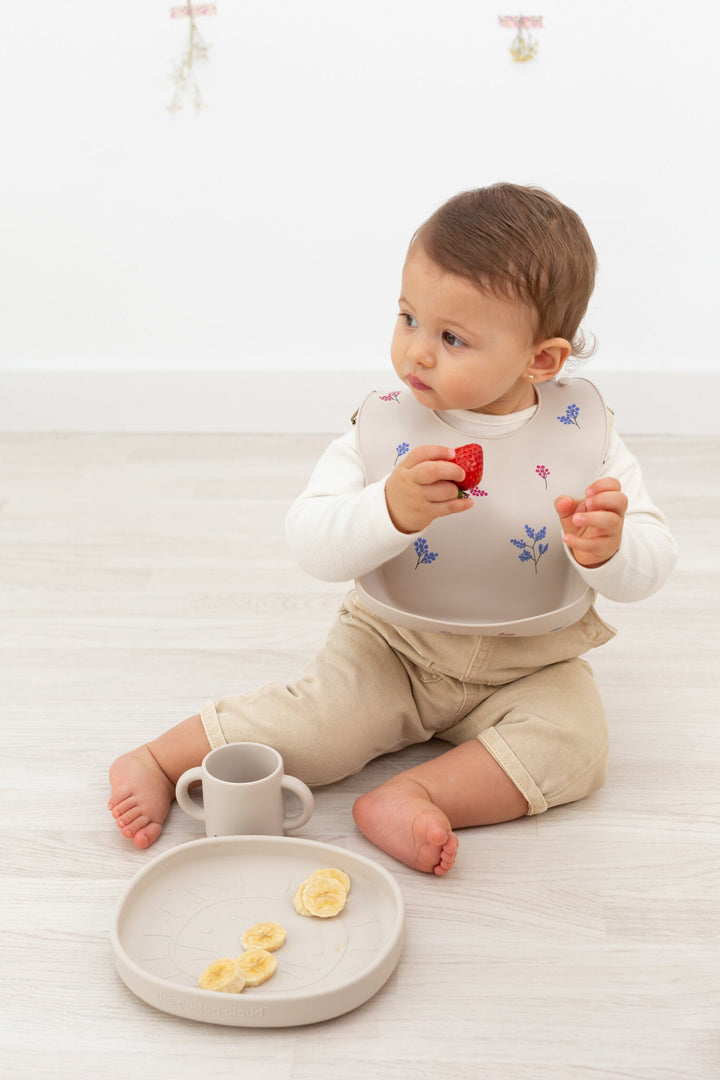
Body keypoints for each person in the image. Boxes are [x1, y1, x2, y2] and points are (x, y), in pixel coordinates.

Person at [109, 183, 678, 875]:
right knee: (319, 731)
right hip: (394, 647)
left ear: (542, 361)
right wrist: (390, 510)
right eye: (408, 318)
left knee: (577, 746)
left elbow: (652, 559)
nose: (417, 353)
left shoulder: (584, 433)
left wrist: (611, 551)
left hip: (533, 659)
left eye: (452, 337)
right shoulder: (383, 424)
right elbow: (311, 541)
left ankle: (410, 795)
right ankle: (159, 756)